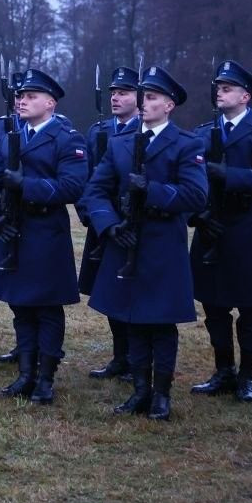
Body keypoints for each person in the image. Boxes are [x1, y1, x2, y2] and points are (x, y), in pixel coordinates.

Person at [83, 66, 208, 421]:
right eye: (141, 97)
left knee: (161, 322)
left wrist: (151, 190)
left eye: (151, 97)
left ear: (169, 105)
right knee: (132, 316)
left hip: (163, 243)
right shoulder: (120, 143)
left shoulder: (186, 144)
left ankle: (161, 395)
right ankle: (139, 391)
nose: (143, 103)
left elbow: (196, 195)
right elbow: (96, 191)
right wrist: (109, 226)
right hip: (125, 239)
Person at [0, 69, 88, 404]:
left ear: (50, 103)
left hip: (45, 232)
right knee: (20, 305)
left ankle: (45, 378)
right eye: (20, 96)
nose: (21, 101)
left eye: (30, 96)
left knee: (46, 307)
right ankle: (25, 374)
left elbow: (72, 186)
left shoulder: (67, 139)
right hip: (12, 229)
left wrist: (26, 186)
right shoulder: (11, 136)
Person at [188, 60, 252, 403]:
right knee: (214, 305)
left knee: (250, 305)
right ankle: (223, 371)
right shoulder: (203, 133)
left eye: (227, 88)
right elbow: (189, 180)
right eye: (218, 88)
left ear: (245, 96)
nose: (220, 93)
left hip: (248, 226)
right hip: (211, 225)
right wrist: (198, 216)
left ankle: (247, 376)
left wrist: (229, 176)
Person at [78, 67, 140, 380]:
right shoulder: (98, 131)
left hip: (132, 221)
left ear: (140, 98)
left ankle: (136, 359)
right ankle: (119, 356)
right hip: (103, 221)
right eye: (113, 93)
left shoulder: (146, 130)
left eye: (124, 93)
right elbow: (87, 175)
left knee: (132, 290)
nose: (115, 98)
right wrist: (88, 212)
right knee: (108, 291)